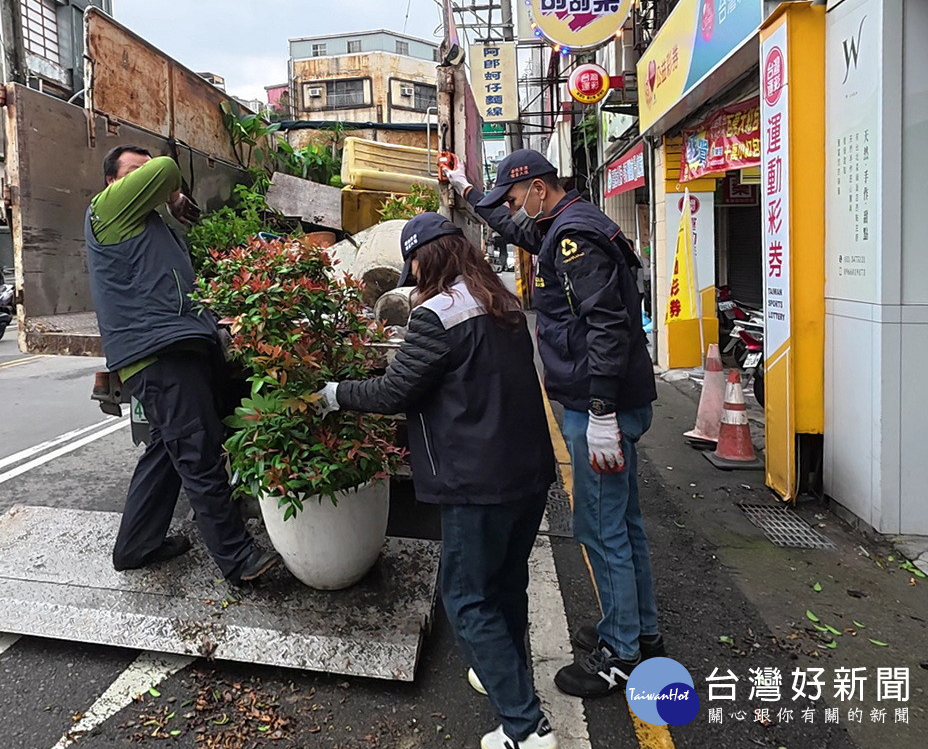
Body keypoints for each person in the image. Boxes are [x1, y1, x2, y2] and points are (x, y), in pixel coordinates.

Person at [316, 213, 559, 749]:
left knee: (467, 598)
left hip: (477, 481)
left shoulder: (437, 314)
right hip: (528, 471)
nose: (414, 276)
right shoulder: (502, 302)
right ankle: (504, 672)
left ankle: (526, 728)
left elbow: (393, 392)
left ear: (426, 259)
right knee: (506, 582)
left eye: (414, 266)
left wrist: (334, 394)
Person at [446, 150, 664, 698]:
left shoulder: (574, 240)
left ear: (539, 188)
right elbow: (512, 228)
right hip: (606, 399)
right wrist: (465, 188)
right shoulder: (566, 224)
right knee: (624, 520)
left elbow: (608, 325)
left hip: (598, 404)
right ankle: (641, 629)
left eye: (516, 196)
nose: (513, 207)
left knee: (600, 527)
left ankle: (621, 654)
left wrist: (602, 412)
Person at [86, 145, 279, 585]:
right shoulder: (107, 209)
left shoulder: (149, 227)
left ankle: (136, 545)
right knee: (197, 452)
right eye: (134, 171)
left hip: (176, 348)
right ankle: (237, 559)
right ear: (113, 182)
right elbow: (168, 167)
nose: (145, 176)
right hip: (157, 352)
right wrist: (172, 193)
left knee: (167, 448)